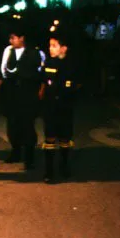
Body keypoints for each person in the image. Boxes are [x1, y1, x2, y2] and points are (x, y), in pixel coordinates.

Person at [0, 24, 41, 170]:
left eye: (14, 38)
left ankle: (29, 157)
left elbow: (39, 73)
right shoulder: (8, 51)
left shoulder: (34, 52)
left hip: (27, 95)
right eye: (10, 38)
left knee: (27, 126)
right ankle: (15, 151)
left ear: (22, 38)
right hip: (12, 95)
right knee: (13, 125)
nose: (11, 41)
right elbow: (3, 70)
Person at [40, 31, 80, 183]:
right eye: (50, 46)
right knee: (49, 138)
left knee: (65, 138)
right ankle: (49, 171)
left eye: (54, 46)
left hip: (65, 107)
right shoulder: (48, 63)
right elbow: (44, 82)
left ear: (64, 48)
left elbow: (76, 85)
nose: (50, 49)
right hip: (50, 107)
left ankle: (64, 165)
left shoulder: (72, 65)